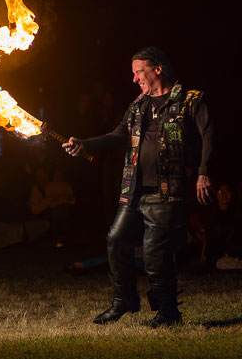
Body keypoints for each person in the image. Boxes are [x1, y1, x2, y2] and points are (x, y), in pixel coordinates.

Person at [63, 47, 214, 327]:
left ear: (158, 69)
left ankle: (169, 313)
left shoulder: (189, 100)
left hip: (166, 191)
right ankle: (125, 300)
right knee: (116, 240)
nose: (134, 79)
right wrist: (84, 144)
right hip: (133, 190)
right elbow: (119, 134)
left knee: (154, 254)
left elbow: (208, 135)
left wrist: (204, 172)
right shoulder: (138, 105)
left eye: (138, 72)